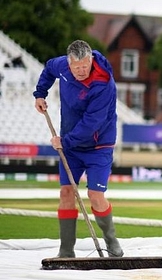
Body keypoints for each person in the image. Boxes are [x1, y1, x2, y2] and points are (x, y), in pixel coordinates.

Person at [33, 40, 123, 258]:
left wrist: (65, 141)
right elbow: (48, 69)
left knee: (95, 195)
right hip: (71, 146)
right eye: (77, 67)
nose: (81, 71)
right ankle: (66, 251)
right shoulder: (61, 65)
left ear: (91, 60)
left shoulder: (103, 84)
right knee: (66, 192)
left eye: (85, 66)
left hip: (98, 145)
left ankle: (111, 242)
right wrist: (40, 93)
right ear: (69, 63)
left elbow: (93, 122)